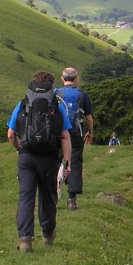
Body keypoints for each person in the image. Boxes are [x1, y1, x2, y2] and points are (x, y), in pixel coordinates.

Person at [7, 71, 72, 252]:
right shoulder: (57, 106)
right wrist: (67, 162)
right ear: (51, 87)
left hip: (26, 157)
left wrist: (20, 149)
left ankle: (25, 240)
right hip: (50, 158)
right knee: (47, 198)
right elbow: (65, 137)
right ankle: (48, 235)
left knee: (26, 198)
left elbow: (10, 134)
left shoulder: (23, 104)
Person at [54, 67, 94, 211]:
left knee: (54, 162)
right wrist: (90, 132)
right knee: (75, 162)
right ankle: (71, 200)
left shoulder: (55, 93)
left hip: (57, 134)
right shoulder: (82, 94)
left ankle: (52, 197)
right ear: (76, 79)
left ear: (62, 78)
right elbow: (88, 117)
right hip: (75, 134)